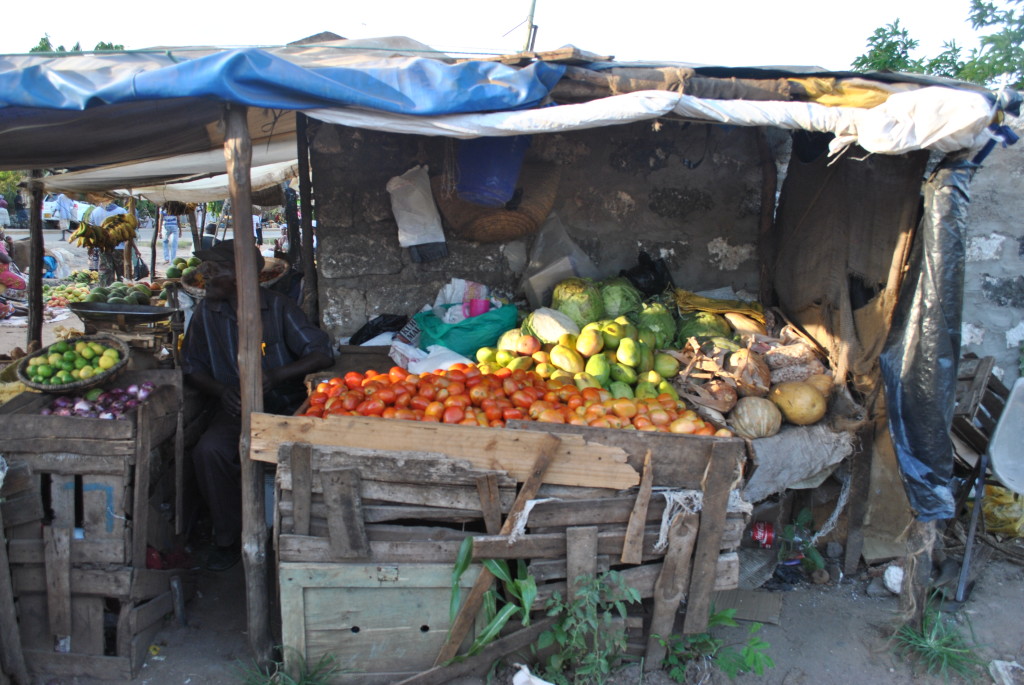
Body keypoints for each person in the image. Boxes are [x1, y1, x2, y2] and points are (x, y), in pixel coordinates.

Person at [180, 240, 332, 571]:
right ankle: (229, 538)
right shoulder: (206, 312)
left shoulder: (278, 307)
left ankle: (298, 538)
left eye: (214, 271)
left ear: (241, 276)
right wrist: (222, 391)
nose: (205, 278)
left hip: (285, 408)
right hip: (236, 409)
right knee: (210, 452)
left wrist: (276, 375)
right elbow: (192, 367)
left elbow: (322, 352)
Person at [0, 228, 28, 297]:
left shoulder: (1, 244)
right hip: (2, 272)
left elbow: (11, 258)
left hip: (7, 270)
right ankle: (13, 297)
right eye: (2, 232)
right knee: (24, 283)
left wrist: (11, 244)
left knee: (28, 278)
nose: (4, 234)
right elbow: (7, 260)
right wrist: (8, 258)